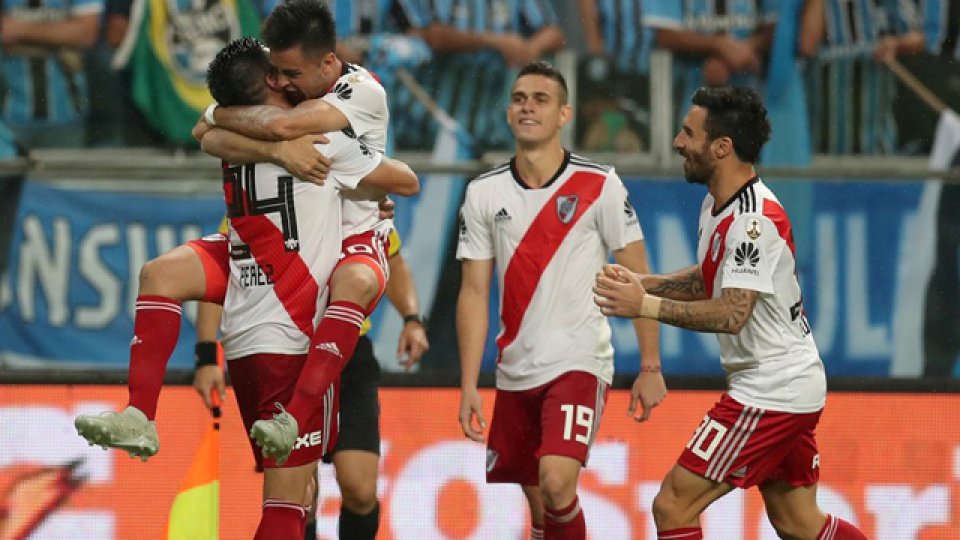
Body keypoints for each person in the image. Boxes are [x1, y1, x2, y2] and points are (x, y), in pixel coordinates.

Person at [73, 37, 418, 461]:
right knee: (158, 274)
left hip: (320, 281)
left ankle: (297, 414)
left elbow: (404, 180)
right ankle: (139, 415)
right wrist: (275, 149)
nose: (292, 74)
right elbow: (205, 133)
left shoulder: (335, 110)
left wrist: (365, 184)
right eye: (283, 70)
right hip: (256, 264)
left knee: (324, 481)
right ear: (273, 78)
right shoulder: (248, 122)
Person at [593, 86, 868, 540]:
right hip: (786, 383)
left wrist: (644, 305)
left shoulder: (754, 222)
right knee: (799, 523)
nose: (679, 143)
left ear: (721, 147)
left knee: (673, 504)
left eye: (688, 133)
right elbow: (708, 279)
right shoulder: (718, 204)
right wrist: (643, 283)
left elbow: (732, 313)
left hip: (772, 389)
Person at [195, 0, 414, 467]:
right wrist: (204, 355)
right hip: (293, 308)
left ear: (328, 64)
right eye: (272, 71)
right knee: (298, 484)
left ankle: (295, 416)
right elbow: (211, 138)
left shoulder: (358, 94)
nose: (278, 82)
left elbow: (279, 126)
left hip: (350, 265)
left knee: (355, 483)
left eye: (289, 72)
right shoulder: (288, 124)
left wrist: (217, 114)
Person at [456, 61, 666, 539]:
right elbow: (473, 291)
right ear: (509, 113)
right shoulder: (483, 192)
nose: (527, 106)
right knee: (539, 510)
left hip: (578, 361)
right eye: (519, 98)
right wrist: (470, 382)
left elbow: (639, 276)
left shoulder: (600, 185)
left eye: (541, 98)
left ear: (564, 113)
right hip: (515, 369)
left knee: (556, 481)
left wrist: (650, 366)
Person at [193, 233, 430, 540]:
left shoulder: (359, 195)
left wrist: (411, 319)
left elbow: (393, 260)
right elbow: (225, 269)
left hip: (348, 354)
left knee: (360, 488)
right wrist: (207, 354)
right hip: (288, 354)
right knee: (300, 495)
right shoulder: (262, 196)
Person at [798, 0, 921, 154]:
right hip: (823, 145)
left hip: (875, 144)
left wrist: (897, 44)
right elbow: (806, 45)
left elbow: (920, 36)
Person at [1, 0, 102, 148]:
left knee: (62, 169)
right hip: (8, 115)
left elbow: (86, 33)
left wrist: (18, 29)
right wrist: (61, 32)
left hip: (66, 112)